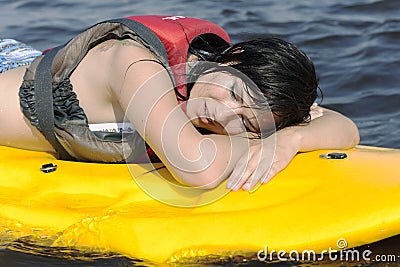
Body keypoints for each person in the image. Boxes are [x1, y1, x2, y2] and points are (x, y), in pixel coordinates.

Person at [0, 15, 359, 191]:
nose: (222, 115)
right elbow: (196, 167)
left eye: (247, 122)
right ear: (231, 58)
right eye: (234, 94)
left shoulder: (217, 88)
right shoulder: (136, 66)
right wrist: (260, 140)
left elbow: (344, 127)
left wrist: (290, 139)